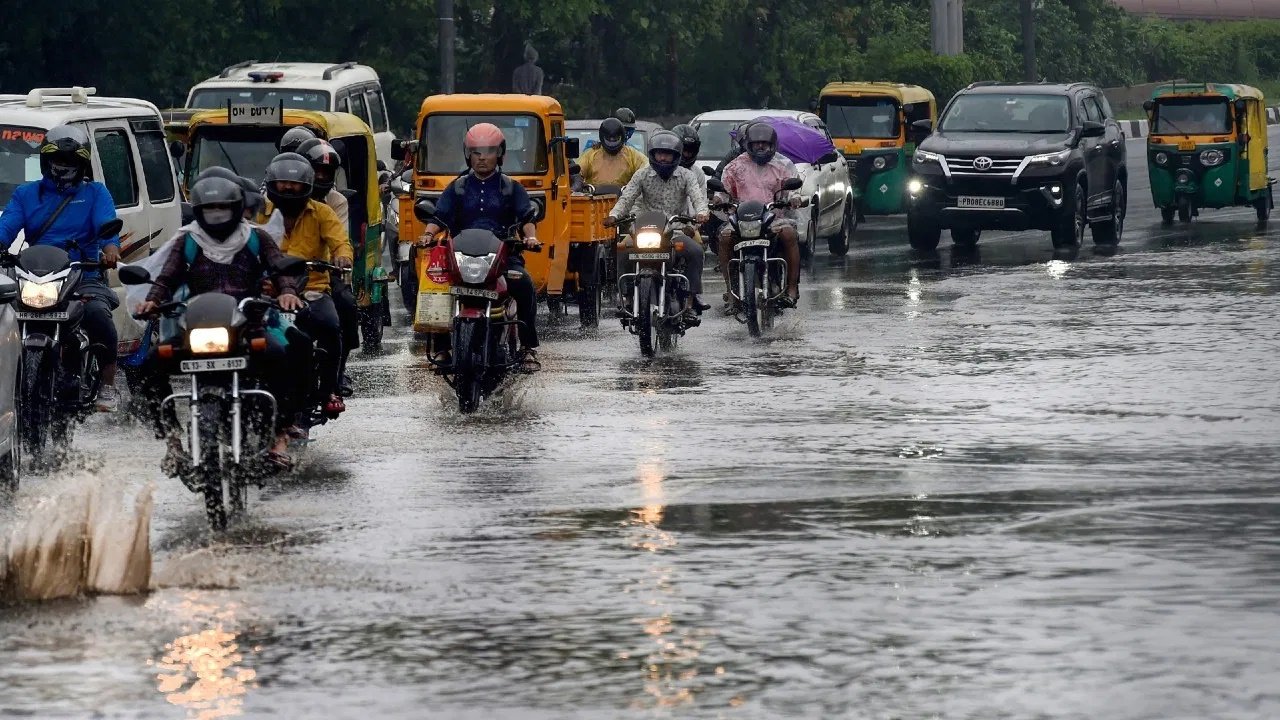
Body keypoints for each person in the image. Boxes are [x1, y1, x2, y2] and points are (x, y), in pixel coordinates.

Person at [135, 176, 306, 469]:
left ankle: (280, 434)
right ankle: (172, 439)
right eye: (210, 210)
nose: (216, 216)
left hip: (247, 324)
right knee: (150, 365)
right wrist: (152, 301)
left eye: (222, 210)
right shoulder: (187, 240)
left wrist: (288, 292)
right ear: (199, 212)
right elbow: (167, 277)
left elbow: (279, 267)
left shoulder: (256, 238)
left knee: (286, 355)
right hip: (198, 326)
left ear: (237, 209)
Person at [0, 125, 122, 411]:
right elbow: (6, 230)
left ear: (82, 165)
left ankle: (107, 386)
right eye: (58, 161)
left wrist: (111, 251)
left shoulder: (96, 193)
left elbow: (108, 231)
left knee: (98, 316)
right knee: (5, 317)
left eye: (70, 162)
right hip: (36, 277)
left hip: (83, 275)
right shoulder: (25, 194)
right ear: (45, 161)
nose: (63, 167)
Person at [417, 122, 542, 366]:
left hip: (504, 256)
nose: (482, 157)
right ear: (468, 155)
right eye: (476, 152)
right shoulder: (457, 187)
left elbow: (527, 217)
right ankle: (442, 348)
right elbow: (439, 217)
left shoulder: (511, 188)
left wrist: (531, 237)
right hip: (461, 256)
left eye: (488, 151)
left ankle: (528, 346)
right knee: (435, 284)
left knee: (524, 284)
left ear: (500, 154)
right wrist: (427, 235)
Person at [258, 152, 353, 415]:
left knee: (331, 326)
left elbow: (339, 241)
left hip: (313, 288)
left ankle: (330, 388)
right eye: (282, 183)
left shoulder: (322, 212)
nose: (288, 187)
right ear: (271, 183)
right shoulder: (259, 213)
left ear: (307, 185)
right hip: (268, 290)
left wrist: (342, 257)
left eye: (295, 183)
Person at [603, 130, 710, 313]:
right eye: (660, 153)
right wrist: (614, 215)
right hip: (645, 230)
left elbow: (697, 198)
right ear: (652, 154)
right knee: (622, 249)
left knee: (695, 251)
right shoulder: (641, 175)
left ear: (676, 156)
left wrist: (702, 212)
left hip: (675, 231)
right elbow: (627, 198)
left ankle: (692, 300)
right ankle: (627, 298)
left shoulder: (686, 176)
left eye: (667, 154)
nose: (663, 158)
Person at [719, 122, 803, 308]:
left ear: (772, 145)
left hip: (773, 219)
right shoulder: (734, 166)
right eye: (756, 143)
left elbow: (793, 190)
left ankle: (791, 288)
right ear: (748, 144)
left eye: (764, 143)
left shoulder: (782, 166)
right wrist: (719, 199)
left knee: (789, 235)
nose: (760, 147)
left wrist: (795, 198)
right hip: (741, 220)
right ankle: (730, 290)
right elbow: (723, 190)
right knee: (724, 238)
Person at [577, 118, 647, 188]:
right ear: (602, 137)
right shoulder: (591, 154)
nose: (612, 143)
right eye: (608, 140)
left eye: (616, 140)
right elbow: (577, 171)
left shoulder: (632, 154)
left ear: (622, 137)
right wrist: (577, 181)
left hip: (625, 197)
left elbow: (647, 169)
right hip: (595, 197)